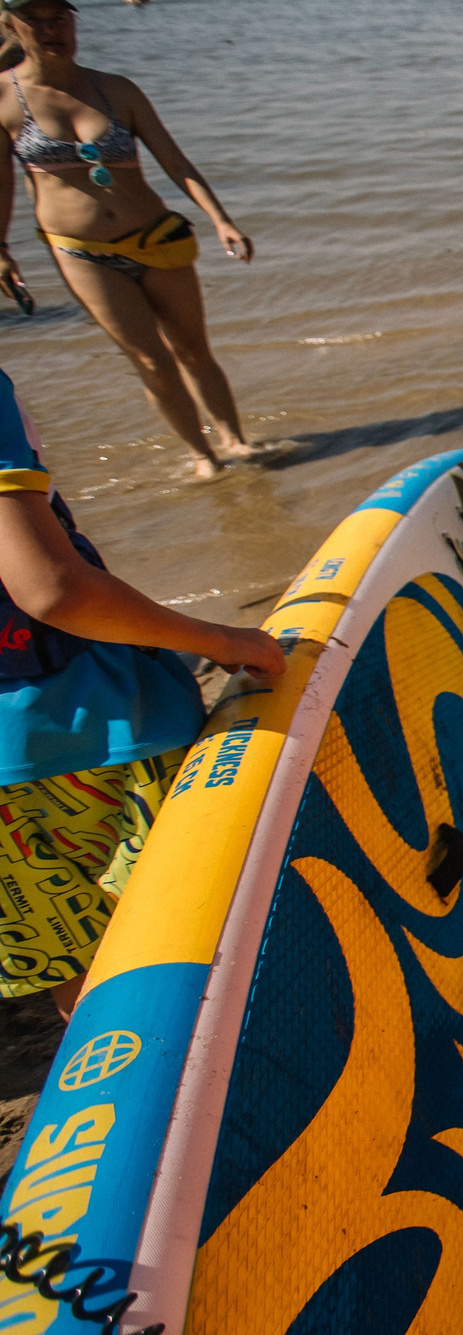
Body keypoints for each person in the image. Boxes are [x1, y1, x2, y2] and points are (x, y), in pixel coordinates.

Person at [0, 363, 283, 1018]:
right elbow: (49, 588)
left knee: (84, 978)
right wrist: (217, 638)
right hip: (89, 730)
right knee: (201, 945)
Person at [0, 0, 274, 481]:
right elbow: (2, 186)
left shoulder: (116, 89)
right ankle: (203, 456)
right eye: (33, 20)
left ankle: (235, 441)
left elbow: (177, 162)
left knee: (194, 348)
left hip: (156, 237)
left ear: (73, 22)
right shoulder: (3, 99)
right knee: (151, 361)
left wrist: (221, 220)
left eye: (58, 17)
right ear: (11, 28)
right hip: (79, 249)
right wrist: (1, 249)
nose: (50, 28)